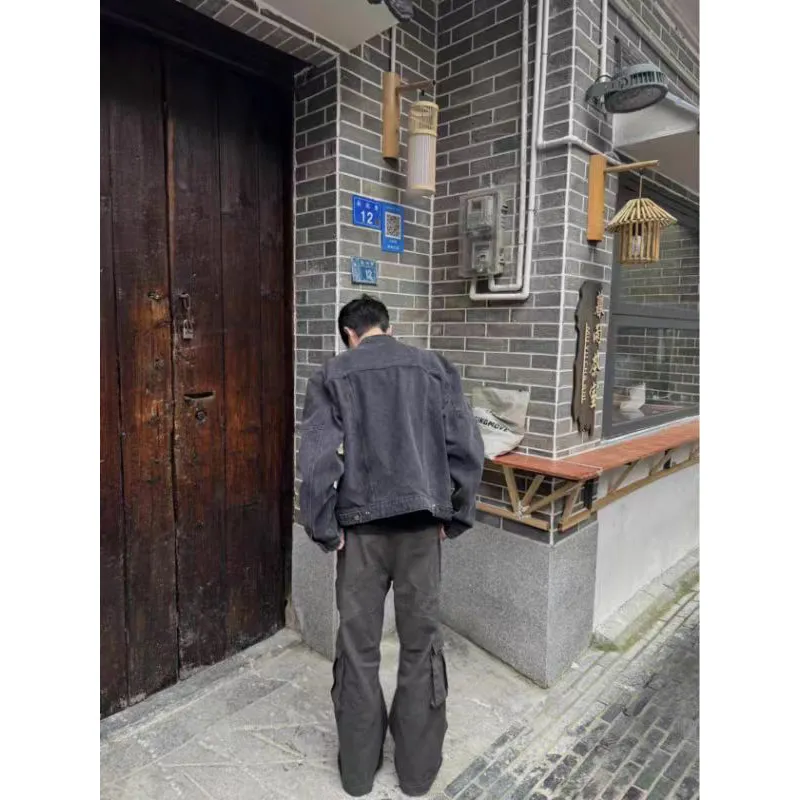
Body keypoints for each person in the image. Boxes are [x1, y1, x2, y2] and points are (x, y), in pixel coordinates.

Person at [299, 295, 485, 797]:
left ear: (349, 334)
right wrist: (455, 514)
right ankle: (417, 776)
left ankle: (358, 776)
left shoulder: (332, 374)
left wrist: (324, 527)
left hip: (359, 535)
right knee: (420, 645)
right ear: (386, 326)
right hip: (421, 532)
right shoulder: (435, 368)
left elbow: (316, 462)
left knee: (358, 648)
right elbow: (467, 449)